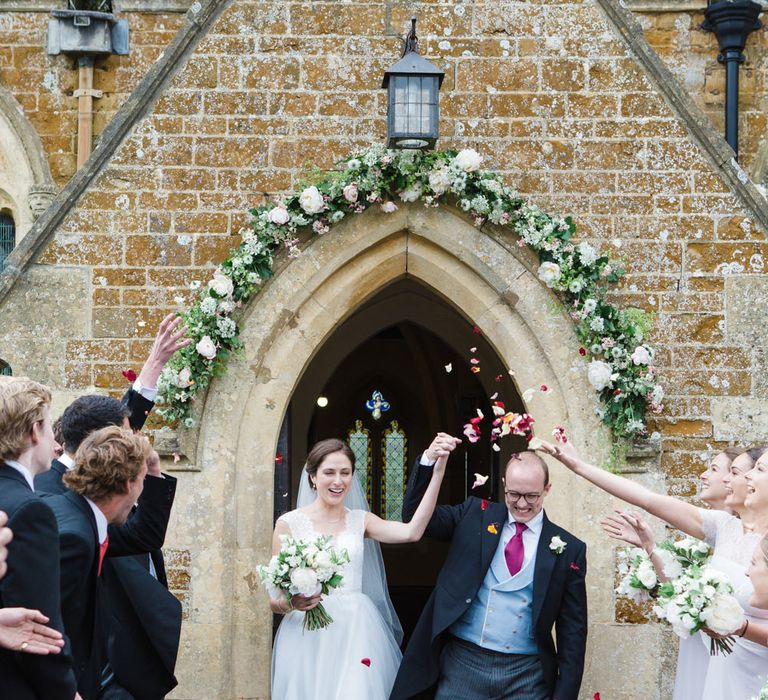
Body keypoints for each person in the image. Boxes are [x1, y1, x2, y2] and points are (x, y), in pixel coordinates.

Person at [539, 436, 768, 699]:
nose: (747, 477)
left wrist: (740, 627)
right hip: (714, 667)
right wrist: (578, 466)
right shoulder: (724, 527)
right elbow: (646, 499)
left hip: (756, 673)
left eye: (758, 470)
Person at [391, 434, 588, 700]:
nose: (521, 504)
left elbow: (572, 632)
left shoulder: (569, 548)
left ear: (547, 489)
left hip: (527, 674)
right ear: (504, 485)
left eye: (532, 496)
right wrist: (429, 460)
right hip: (463, 664)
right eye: (514, 494)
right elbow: (415, 519)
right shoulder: (474, 515)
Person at [269, 437, 450, 700]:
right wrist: (293, 602)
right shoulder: (289, 524)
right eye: (329, 472)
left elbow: (412, 532)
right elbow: (274, 600)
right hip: (306, 634)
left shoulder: (360, 520)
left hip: (355, 631)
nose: (338, 481)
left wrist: (438, 472)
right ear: (312, 477)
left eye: (345, 473)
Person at [600, 448, 744, 700]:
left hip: (732, 653)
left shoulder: (736, 535)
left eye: (714, 469)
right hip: (698, 645)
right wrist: (649, 547)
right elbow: (679, 595)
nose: (703, 475)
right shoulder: (709, 533)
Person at [46, 426, 176, 700]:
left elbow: (145, 535)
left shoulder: (79, 515)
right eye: (143, 481)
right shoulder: (75, 538)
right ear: (129, 485)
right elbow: (52, 629)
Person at [0, 377, 79, 699]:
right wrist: (66, 691)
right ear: (34, 430)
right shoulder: (31, 511)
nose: (55, 442)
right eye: (48, 427)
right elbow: (41, 628)